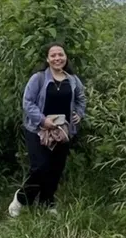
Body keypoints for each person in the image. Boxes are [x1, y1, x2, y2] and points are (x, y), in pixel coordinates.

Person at [9, 43, 86, 217]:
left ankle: (47, 202)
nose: (57, 58)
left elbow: (81, 99)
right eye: (53, 55)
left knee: (56, 168)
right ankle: (21, 199)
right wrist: (43, 120)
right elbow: (27, 102)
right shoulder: (38, 78)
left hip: (63, 131)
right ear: (47, 59)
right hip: (38, 130)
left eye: (61, 54)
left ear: (66, 57)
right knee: (40, 167)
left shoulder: (73, 80)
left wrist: (79, 114)